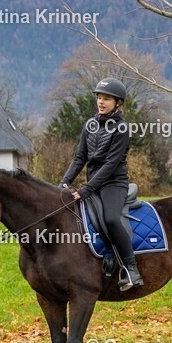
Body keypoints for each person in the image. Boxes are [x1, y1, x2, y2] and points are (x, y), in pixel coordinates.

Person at [59, 78, 144, 291]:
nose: (101, 102)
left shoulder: (122, 128)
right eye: (99, 97)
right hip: (94, 181)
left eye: (106, 98)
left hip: (113, 183)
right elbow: (79, 158)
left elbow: (110, 164)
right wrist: (64, 182)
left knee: (112, 219)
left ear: (118, 103)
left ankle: (131, 268)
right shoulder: (90, 125)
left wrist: (85, 190)